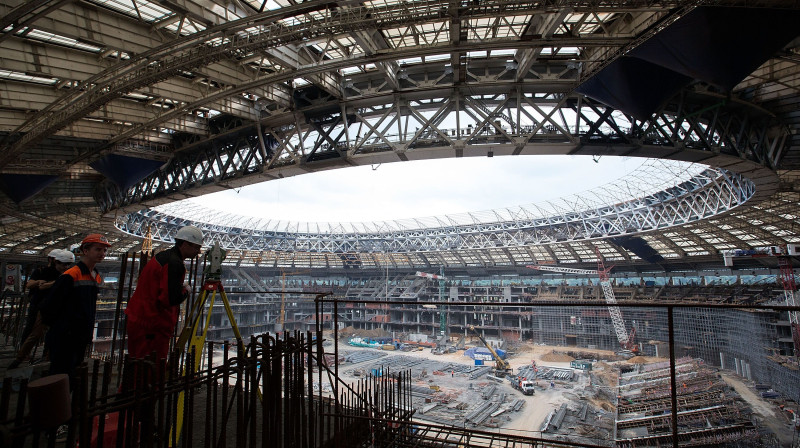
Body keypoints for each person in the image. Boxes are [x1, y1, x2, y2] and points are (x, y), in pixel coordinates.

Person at [125, 225, 203, 360]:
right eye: (196, 247)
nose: (199, 251)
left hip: (142, 319)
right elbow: (169, 299)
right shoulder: (174, 263)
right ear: (184, 244)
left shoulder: (164, 257)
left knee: (137, 365)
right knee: (150, 368)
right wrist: (185, 291)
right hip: (152, 324)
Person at [40, 234, 111, 383]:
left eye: (104, 250)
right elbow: (49, 307)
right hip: (65, 336)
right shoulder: (71, 275)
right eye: (98, 249)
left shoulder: (95, 275)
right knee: (60, 377)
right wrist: (62, 329)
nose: (102, 254)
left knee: (72, 376)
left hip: (81, 335)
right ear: (85, 251)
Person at [8, 249, 75, 369]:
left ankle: (48, 356)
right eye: (63, 264)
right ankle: (21, 357)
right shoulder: (43, 272)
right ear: (55, 262)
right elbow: (37, 286)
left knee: (53, 334)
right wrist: (52, 282)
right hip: (42, 306)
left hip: (58, 307)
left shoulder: (66, 274)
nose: (65, 267)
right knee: (34, 332)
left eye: (68, 265)